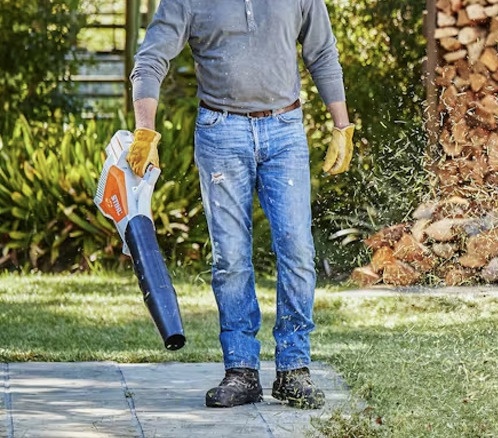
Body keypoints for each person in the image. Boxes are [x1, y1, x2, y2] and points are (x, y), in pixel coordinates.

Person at [127, 0, 354, 409]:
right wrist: (145, 130)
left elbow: (321, 52)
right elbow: (150, 59)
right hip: (220, 131)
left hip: (285, 130)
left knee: (298, 250)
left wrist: (342, 125)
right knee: (231, 257)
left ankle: (294, 369)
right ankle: (242, 371)